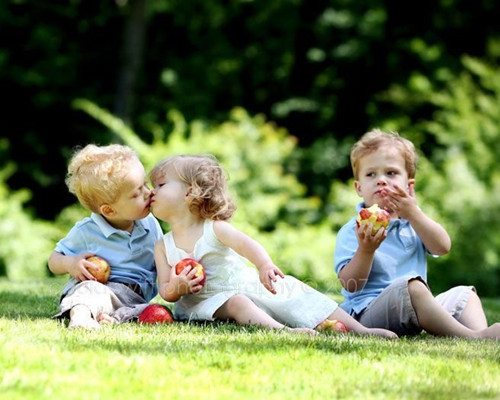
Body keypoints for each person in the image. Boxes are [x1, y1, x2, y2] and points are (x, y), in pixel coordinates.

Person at [148, 154, 397, 338]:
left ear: (189, 192)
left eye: (160, 185)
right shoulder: (162, 245)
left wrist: (264, 265)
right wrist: (177, 287)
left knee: (292, 287)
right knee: (238, 302)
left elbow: (247, 245)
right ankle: (283, 332)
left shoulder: (214, 228)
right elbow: (166, 291)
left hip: (241, 285)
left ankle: (361, 330)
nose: (151, 192)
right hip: (200, 305)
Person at [334, 128, 500, 339]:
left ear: (409, 186)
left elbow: (442, 247)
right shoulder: (354, 230)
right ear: (359, 188)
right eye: (371, 174)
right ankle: (472, 337)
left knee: (465, 294)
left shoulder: (415, 222)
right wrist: (366, 250)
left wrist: (414, 213)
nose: (381, 180)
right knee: (414, 286)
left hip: (415, 304)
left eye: (391, 173)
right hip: (369, 314)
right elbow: (351, 284)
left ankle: (479, 333)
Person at [48, 144, 163, 330]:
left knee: (154, 311)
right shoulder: (87, 231)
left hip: (135, 298)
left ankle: (111, 318)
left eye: (145, 185)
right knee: (88, 293)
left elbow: (162, 260)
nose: (148, 193)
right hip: (99, 288)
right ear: (109, 210)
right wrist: (71, 263)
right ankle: (80, 317)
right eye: (137, 193)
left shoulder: (150, 223)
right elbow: (53, 260)